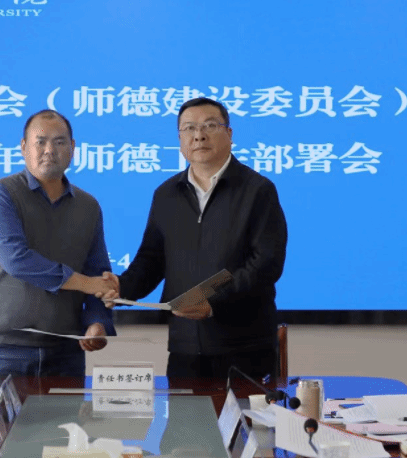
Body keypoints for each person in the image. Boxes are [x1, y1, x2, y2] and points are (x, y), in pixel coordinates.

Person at [105, 97, 287, 379]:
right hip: (185, 348)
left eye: (209, 126)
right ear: (180, 139)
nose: (199, 135)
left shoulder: (257, 190)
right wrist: (121, 288)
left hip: (246, 347)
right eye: (189, 128)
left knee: (246, 411)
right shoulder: (166, 194)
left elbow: (266, 263)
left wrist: (212, 299)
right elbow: (151, 261)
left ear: (229, 134)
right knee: (183, 411)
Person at [0, 109, 117, 377]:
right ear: (23, 147)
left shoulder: (88, 206)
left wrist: (98, 322)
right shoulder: (0, 194)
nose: (49, 150)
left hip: (67, 349)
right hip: (5, 349)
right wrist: (87, 284)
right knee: (0, 410)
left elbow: (98, 271)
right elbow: (17, 261)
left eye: (59, 142)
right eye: (40, 142)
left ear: (72, 147)